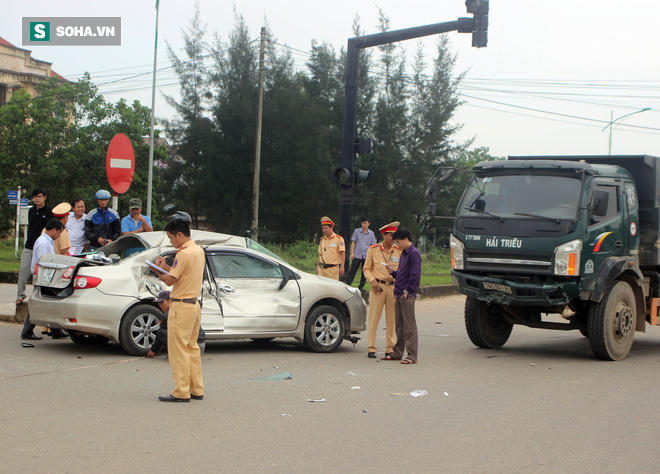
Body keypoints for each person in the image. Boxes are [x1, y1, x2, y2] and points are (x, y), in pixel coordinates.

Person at [153, 213, 205, 402]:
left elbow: (169, 280)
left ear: (179, 235)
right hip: (194, 305)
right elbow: (179, 274)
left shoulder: (183, 253)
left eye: (171, 237)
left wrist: (157, 270)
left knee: (178, 351)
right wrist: (166, 266)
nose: (171, 241)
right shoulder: (197, 250)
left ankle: (181, 391)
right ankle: (196, 388)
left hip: (181, 307)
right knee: (192, 348)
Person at [382, 228, 421, 365]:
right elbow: (403, 274)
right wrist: (392, 272)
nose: (397, 245)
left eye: (398, 242)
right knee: (399, 325)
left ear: (406, 239)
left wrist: (408, 290)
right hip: (398, 293)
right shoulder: (404, 253)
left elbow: (415, 275)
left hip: (406, 294)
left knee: (409, 326)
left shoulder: (414, 253)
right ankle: (397, 352)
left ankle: (412, 355)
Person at [363, 221, 402, 359]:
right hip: (377, 287)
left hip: (392, 287)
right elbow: (366, 269)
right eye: (390, 235)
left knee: (392, 319)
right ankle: (371, 347)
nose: (393, 238)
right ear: (384, 235)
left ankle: (390, 348)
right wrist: (372, 280)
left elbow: (402, 271)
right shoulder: (373, 250)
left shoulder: (398, 251)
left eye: (394, 236)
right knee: (374, 317)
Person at [21, 218, 64, 340]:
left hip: (45, 277)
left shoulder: (46, 241)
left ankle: (56, 331)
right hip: (43, 278)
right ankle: (27, 331)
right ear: (54, 230)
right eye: (59, 232)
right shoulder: (43, 243)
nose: (59, 235)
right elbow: (43, 262)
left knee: (52, 303)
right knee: (39, 304)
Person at [16, 188, 53, 305]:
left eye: (40, 196)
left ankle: (36, 295)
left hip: (42, 246)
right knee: (23, 270)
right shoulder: (31, 211)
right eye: (35, 196)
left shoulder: (49, 212)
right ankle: (20, 295)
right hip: (29, 245)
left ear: (45, 197)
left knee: (38, 272)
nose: (37, 199)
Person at [146, 290, 206, 359]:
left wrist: (152, 350)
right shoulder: (184, 307)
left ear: (170, 301)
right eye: (159, 303)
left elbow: (160, 335)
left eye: (162, 302)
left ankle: (176, 355)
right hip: (199, 345)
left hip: (192, 345)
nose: (160, 305)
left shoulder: (168, 314)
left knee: (161, 332)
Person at [343, 217, 377, 290]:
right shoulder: (357, 231)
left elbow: (373, 246)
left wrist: (372, 256)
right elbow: (353, 242)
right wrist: (352, 253)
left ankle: (361, 286)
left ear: (368, 224)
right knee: (353, 270)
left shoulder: (371, 234)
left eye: (365, 223)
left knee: (364, 271)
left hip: (366, 255)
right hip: (357, 254)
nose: (364, 225)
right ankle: (348, 283)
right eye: (362, 223)